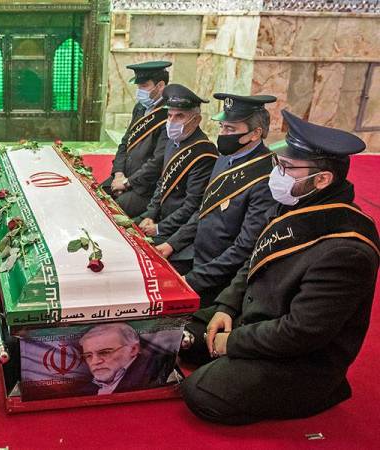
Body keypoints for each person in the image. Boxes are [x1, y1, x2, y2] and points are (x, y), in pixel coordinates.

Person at [180, 110, 380, 425]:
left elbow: (301, 332)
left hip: (302, 358)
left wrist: (231, 342)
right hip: (260, 320)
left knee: (200, 392)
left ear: (322, 179)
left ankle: (321, 393)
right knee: (183, 335)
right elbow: (254, 261)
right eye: (278, 163)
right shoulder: (298, 203)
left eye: (286, 167)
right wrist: (225, 307)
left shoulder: (347, 249)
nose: (277, 174)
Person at [173, 93, 277, 308]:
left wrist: (193, 280)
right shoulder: (225, 158)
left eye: (230, 129)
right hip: (196, 257)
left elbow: (245, 247)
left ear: (255, 133)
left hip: (220, 279)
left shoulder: (265, 177)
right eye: (221, 127)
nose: (222, 134)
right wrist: (172, 244)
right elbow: (204, 209)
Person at [136, 84, 218, 274]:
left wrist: (159, 228)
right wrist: (150, 214)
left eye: (179, 116)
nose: (172, 122)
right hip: (160, 220)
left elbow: (192, 206)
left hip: (179, 232)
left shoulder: (203, 153)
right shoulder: (175, 142)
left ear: (196, 119)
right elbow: (162, 183)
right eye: (169, 115)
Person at [101, 61, 171, 217]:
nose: (139, 91)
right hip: (123, 177)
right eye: (138, 86)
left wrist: (127, 183)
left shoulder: (169, 114)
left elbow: (157, 161)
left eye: (144, 86)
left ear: (160, 86)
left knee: (112, 212)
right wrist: (118, 174)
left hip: (144, 187)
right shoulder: (140, 107)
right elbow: (125, 143)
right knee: (95, 196)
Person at [78, 323, 174, 395]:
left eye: (105, 352)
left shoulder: (156, 372)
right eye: (88, 356)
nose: (95, 362)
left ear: (133, 349)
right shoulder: (84, 390)